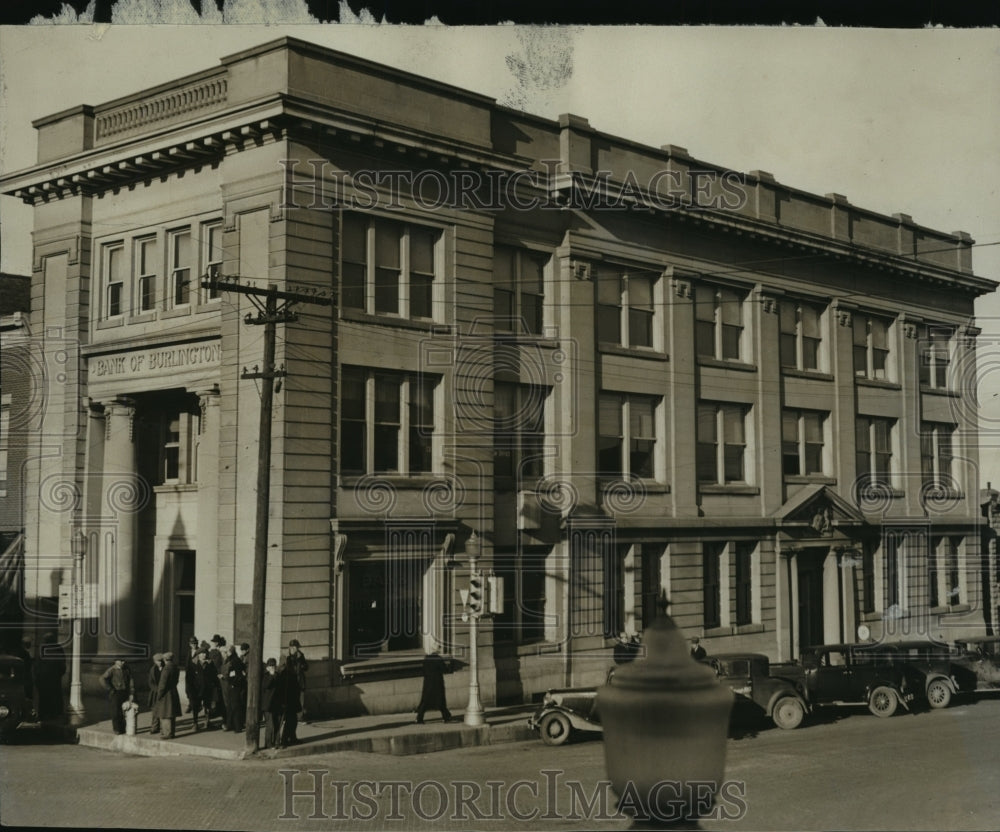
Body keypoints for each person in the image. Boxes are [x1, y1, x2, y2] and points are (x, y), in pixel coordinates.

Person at [34, 632, 66, 721]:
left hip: (44, 677)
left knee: (44, 696)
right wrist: (59, 673)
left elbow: (38, 664)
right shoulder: (58, 648)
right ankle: (55, 713)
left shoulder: (42, 648)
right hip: (54, 677)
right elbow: (62, 664)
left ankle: (43, 714)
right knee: (55, 695)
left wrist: (37, 676)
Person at [415, 650, 452, 724]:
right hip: (437, 683)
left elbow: (423, 671)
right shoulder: (438, 659)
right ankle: (446, 716)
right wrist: (449, 666)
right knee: (441, 701)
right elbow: (444, 669)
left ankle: (419, 718)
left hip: (428, 683)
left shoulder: (426, 659)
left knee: (425, 701)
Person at [100, 658, 135, 735]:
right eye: (120, 661)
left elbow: (131, 680)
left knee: (124, 711)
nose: (123, 662)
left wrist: (131, 692)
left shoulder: (126, 669)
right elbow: (102, 679)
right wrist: (110, 689)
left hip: (124, 692)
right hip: (116, 693)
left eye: (123, 660)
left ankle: (123, 728)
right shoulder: (111, 670)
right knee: (116, 712)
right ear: (116, 661)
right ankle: (117, 729)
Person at [155, 652, 181, 739]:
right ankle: (171, 732)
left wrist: (159, 694)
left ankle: (167, 733)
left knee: (165, 713)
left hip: (166, 694)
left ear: (165, 659)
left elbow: (163, 684)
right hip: (173, 691)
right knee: (171, 713)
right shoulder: (175, 667)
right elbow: (176, 680)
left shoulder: (166, 669)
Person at [222, 644, 246, 733]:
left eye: (227, 652)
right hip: (234, 685)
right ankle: (231, 725)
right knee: (232, 706)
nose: (226, 653)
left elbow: (236, 674)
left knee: (234, 706)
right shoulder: (235, 659)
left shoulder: (234, 660)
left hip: (234, 686)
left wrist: (232, 683)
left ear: (230, 652)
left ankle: (237, 727)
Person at [286, 639, 309, 723]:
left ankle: (300, 717)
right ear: (290, 648)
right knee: (290, 700)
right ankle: (289, 717)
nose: (296, 649)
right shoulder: (287, 657)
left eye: (296, 648)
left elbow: (306, 667)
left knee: (301, 700)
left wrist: (301, 662)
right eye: (294, 647)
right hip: (291, 682)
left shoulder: (301, 656)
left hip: (300, 682)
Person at [260, 658, 281, 749]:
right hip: (268, 704)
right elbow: (266, 686)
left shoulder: (278, 675)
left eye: (274, 665)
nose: (273, 667)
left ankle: (277, 742)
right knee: (270, 725)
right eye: (271, 666)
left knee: (277, 724)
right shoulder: (265, 676)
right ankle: (268, 744)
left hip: (277, 704)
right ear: (267, 667)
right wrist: (272, 676)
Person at [147, 653, 164, 735]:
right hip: (155, 693)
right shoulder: (152, 670)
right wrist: (156, 690)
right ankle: (154, 727)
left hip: (164, 693)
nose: (160, 663)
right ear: (154, 661)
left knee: (164, 710)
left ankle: (164, 728)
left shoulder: (166, 668)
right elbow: (150, 682)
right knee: (155, 711)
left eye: (161, 661)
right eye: (158, 661)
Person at [184, 636, 200, 714]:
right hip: (189, 675)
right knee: (188, 691)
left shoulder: (199, 651)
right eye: (192, 644)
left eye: (195, 643)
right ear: (190, 644)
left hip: (196, 675)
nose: (194, 645)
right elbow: (187, 663)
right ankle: (190, 704)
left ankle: (195, 706)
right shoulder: (189, 652)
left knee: (196, 691)